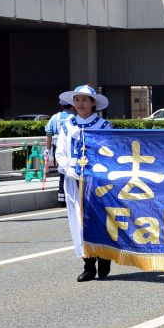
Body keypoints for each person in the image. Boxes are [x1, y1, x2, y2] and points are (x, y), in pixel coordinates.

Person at [55, 84, 112, 282]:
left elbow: (110, 153)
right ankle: (88, 264)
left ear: (93, 103)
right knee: (79, 221)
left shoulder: (104, 126)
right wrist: (67, 169)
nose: (80, 104)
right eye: (77, 100)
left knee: (100, 218)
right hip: (74, 180)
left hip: (98, 182)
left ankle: (104, 257)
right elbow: (60, 152)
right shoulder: (67, 125)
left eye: (85, 100)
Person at [45, 100, 75, 206]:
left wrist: (48, 150)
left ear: (61, 105)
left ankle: (61, 198)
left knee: (62, 173)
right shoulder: (74, 118)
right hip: (71, 149)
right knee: (72, 173)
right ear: (72, 105)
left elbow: (49, 135)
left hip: (57, 148)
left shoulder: (54, 117)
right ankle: (71, 198)